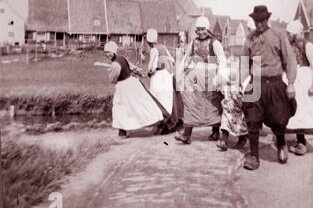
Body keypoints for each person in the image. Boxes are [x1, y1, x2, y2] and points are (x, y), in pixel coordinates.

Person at [242, 6, 297, 170]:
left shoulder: (278, 34)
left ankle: (281, 144)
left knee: (279, 119)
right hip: (256, 82)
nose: (259, 24)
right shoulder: (250, 38)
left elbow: (289, 59)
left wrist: (291, 83)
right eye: (257, 21)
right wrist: (240, 83)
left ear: (267, 20)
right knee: (252, 119)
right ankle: (254, 157)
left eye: (262, 20)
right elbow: (245, 63)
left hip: (275, 83)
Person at [175, 16, 227, 144]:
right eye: (198, 30)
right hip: (196, 79)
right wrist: (180, 73)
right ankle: (187, 134)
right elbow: (186, 58)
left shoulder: (214, 43)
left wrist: (220, 77)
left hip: (211, 78)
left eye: (203, 29)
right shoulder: (193, 42)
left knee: (213, 105)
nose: (200, 32)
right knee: (191, 102)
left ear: (207, 29)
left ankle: (215, 131)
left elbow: (222, 60)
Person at [284, 20, 313, 155]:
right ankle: (300, 141)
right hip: (295, 81)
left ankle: (302, 142)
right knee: (297, 112)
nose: (288, 36)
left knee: (306, 111)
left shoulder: (307, 46)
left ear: (295, 34)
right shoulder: (291, 46)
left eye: (290, 34)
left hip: (306, 81)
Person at [103, 41, 168, 138]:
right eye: (105, 53)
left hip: (124, 87)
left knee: (124, 108)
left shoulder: (115, 64)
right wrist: (139, 74)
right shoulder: (122, 59)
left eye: (109, 52)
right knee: (138, 105)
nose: (107, 55)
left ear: (114, 51)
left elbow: (112, 80)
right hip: (132, 83)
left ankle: (124, 131)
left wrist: (110, 72)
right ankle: (123, 130)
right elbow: (132, 68)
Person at [216, 63, 249, 151]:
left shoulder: (237, 88)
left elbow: (241, 99)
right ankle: (224, 141)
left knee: (240, 126)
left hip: (236, 111)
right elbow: (222, 92)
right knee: (224, 126)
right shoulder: (226, 87)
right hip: (227, 110)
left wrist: (238, 101)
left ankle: (242, 139)